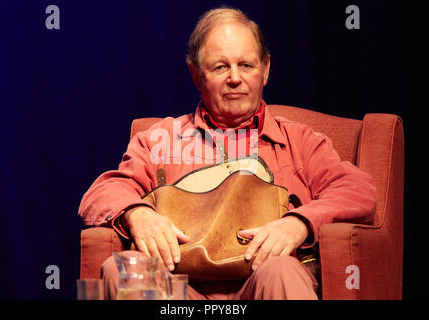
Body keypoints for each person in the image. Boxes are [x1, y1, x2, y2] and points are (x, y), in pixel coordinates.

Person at [78, 7, 377, 300]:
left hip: (265, 284)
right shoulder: (160, 139)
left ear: (266, 70)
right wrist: (137, 214)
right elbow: (100, 194)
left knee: (282, 270)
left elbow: (360, 190)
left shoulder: (300, 140)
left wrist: (299, 222)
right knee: (123, 269)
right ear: (196, 75)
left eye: (246, 65)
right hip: (179, 291)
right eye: (220, 67)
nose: (235, 78)